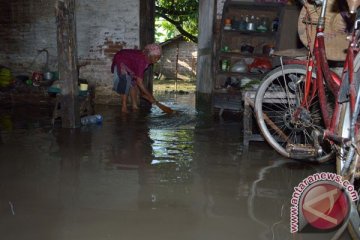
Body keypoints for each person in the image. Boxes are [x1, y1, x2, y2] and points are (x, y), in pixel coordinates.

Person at [111, 43, 161, 113]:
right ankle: (124, 107)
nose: (156, 60)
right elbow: (140, 82)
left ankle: (134, 105)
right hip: (121, 60)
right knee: (125, 83)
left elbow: (137, 80)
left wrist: (149, 96)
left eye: (158, 58)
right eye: (155, 58)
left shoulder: (148, 59)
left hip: (130, 63)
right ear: (149, 55)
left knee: (133, 83)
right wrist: (151, 97)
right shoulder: (142, 60)